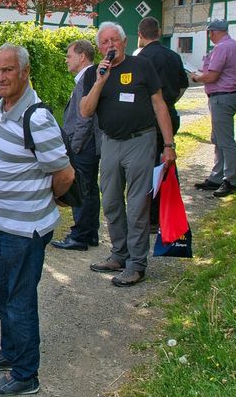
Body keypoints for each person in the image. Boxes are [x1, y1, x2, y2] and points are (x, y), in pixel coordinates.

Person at [0, 44, 74, 396]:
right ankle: (10, 351)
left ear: (25, 72)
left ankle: (25, 374)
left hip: (25, 228)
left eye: (8, 71)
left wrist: (44, 201)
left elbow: (64, 173)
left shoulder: (37, 117)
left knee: (19, 299)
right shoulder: (0, 105)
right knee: (0, 292)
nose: (0, 77)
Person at [79, 22, 176, 287]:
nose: (110, 46)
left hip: (140, 141)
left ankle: (136, 264)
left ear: (124, 42)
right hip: (110, 142)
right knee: (110, 201)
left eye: (114, 40)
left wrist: (168, 145)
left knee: (137, 206)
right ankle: (119, 254)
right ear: (99, 48)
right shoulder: (94, 73)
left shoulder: (142, 66)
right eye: (104, 42)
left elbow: (159, 105)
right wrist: (100, 81)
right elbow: (85, 111)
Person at [135, 16, 190, 231]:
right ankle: (166, 214)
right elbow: (183, 86)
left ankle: (149, 217)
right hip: (171, 114)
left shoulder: (140, 58)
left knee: (147, 169)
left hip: (149, 119)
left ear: (140, 35)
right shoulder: (174, 56)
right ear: (158, 33)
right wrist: (170, 103)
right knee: (166, 166)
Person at [51, 39, 102, 251]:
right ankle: (90, 233)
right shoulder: (89, 77)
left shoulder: (87, 77)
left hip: (84, 145)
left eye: (69, 55)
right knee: (89, 188)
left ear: (82, 57)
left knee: (81, 188)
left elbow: (85, 117)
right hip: (89, 145)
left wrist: (75, 146)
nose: (66, 59)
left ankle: (80, 235)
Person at [190, 18, 236, 197]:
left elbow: (212, 76)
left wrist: (196, 77)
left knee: (225, 141)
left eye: (209, 33)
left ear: (213, 31)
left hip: (221, 97)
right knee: (218, 138)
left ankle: (229, 180)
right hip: (230, 95)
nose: (209, 36)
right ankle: (217, 176)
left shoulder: (221, 48)